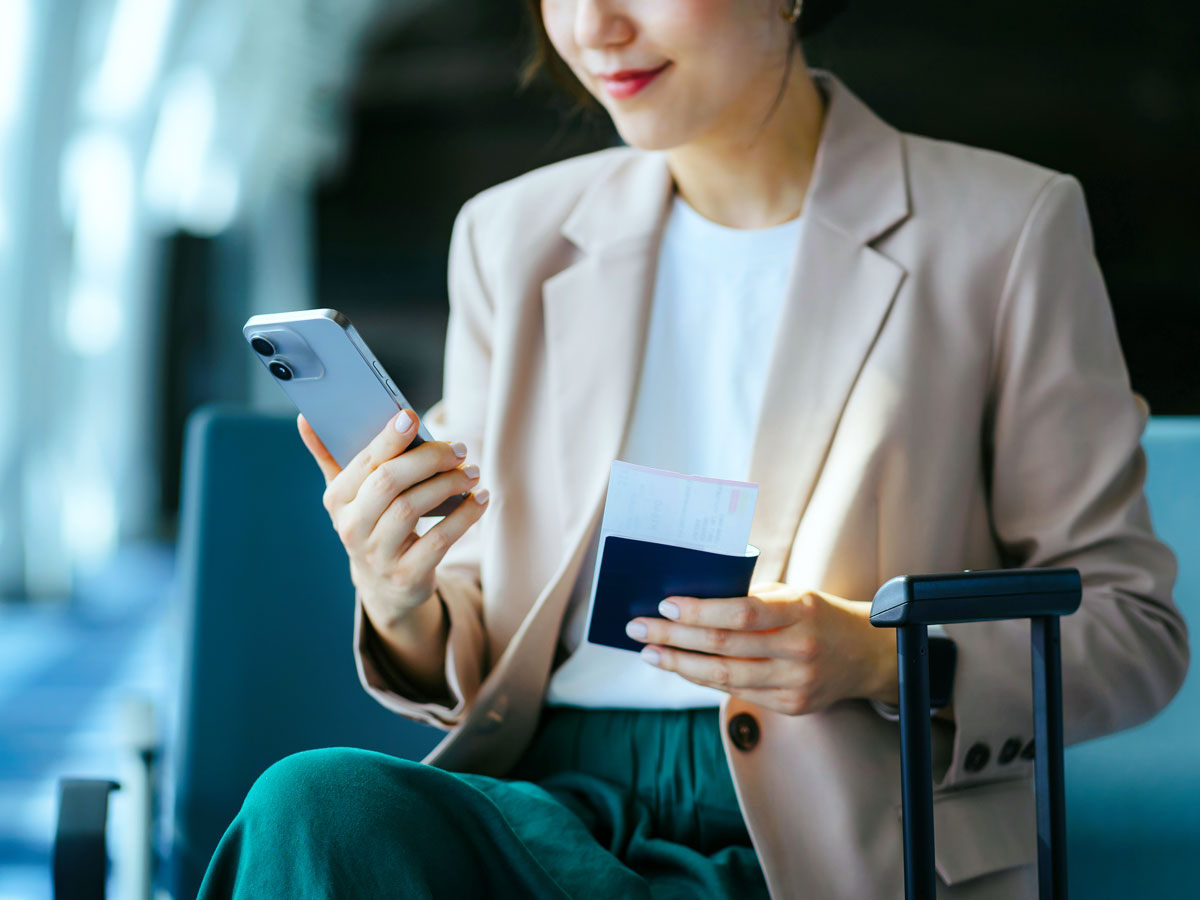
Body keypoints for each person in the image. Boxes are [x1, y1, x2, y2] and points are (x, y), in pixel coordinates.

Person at [199, 1, 1189, 898]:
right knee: (313, 807)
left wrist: (882, 658)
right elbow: (473, 630)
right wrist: (399, 595)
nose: (593, 29)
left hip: (837, 832)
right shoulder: (513, 236)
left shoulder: (1004, 229)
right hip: (551, 805)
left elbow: (1133, 633)